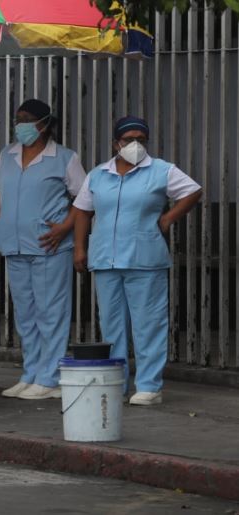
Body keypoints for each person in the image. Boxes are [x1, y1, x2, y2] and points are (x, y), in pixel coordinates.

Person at [73, 116, 201, 406]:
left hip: (145, 260)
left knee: (148, 324)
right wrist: (79, 248)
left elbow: (193, 190)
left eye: (141, 140)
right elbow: (82, 210)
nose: (135, 145)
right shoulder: (98, 174)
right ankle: (117, 381)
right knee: (112, 326)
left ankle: (149, 386)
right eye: (129, 139)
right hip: (105, 260)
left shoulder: (161, 170)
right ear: (115, 143)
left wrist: (168, 218)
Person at [0, 99, 86, 401]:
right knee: (26, 314)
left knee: (51, 312)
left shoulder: (65, 158)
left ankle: (51, 376)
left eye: (27, 119)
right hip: (15, 246)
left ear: (44, 123)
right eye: (18, 118)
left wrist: (64, 226)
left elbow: (84, 197)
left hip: (49, 246)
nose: (21, 124)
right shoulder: (8, 154)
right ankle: (30, 373)